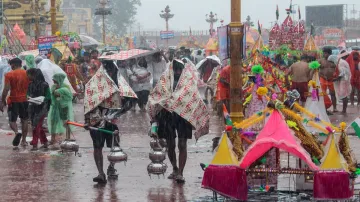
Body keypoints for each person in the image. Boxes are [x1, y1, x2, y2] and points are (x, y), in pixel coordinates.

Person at [148, 59, 210, 183]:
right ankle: (175, 168)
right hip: (167, 115)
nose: (177, 71)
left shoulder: (189, 81)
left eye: (179, 69)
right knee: (170, 145)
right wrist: (154, 116)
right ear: (171, 68)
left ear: (183, 69)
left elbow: (194, 97)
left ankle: (180, 172)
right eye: (175, 68)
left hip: (183, 117)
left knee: (182, 144)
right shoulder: (164, 80)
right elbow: (156, 95)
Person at [84, 60, 135, 183]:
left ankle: (111, 167)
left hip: (111, 121)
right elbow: (88, 101)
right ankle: (100, 173)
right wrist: (87, 120)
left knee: (115, 145)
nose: (111, 73)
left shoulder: (119, 84)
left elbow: (129, 100)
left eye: (112, 71)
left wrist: (121, 100)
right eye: (108, 71)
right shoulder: (93, 83)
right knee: (97, 146)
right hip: (96, 120)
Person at [0, 58, 30, 147]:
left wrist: (2, 101)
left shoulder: (9, 74)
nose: (11, 67)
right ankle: (24, 141)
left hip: (13, 100)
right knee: (24, 120)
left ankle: (17, 132)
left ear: (13, 65)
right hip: (25, 100)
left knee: (12, 120)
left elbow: (6, 89)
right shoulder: (27, 74)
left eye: (11, 65)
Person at [27, 68, 51, 150]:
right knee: (37, 125)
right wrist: (28, 97)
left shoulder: (45, 85)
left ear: (34, 75)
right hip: (32, 107)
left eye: (29, 74)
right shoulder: (30, 85)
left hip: (42, 108)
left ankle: (35, 143)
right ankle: (45, 142)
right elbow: (27, 94)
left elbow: (48, 96)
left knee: (36, 125)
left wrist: (42, 99)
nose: (27, 76)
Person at [47, 73, 74, 146]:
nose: (54, 82)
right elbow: (52, 95)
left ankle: (68, 137)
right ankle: (53, 139)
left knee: (65, 122)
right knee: (53, 122)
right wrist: (54, 91)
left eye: (55, 80)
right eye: (53, 80)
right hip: (55, 107)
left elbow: (70, 97)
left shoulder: (65, 87)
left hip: (63, 106)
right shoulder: (53, 87)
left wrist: (60, 94)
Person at [319, 47, 337, 113]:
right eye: (323, 53)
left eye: (326, 53)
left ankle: (335, 108)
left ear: (330, 54)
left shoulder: (334, 61)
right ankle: (325, 108)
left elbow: (337, 69)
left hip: (331, 79)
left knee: (333, 93)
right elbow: (315, 69)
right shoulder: (320, 61)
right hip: (322, 78)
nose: (324, 54)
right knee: (323, 93)